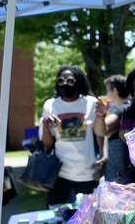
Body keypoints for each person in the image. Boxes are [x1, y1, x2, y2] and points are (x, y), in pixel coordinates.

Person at [39, 66, 104, 204]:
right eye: (61, 81)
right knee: (59, 221)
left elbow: (101, 134)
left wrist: (100, 115)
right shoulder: (50, 105)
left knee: (89, 220)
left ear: (78, 82)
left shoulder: (91, 103)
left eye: (70, 80)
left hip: (89, 173)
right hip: (60, 174)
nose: (65, 84)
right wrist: (45, 124)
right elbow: (47, 144)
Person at [100, 74, 130, 184]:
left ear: (115, 91)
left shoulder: (123, 109)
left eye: (107, 90)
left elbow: (104, 129)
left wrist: (100, 114)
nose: (106, 94)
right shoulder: (130, 107)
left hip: (119, 168)